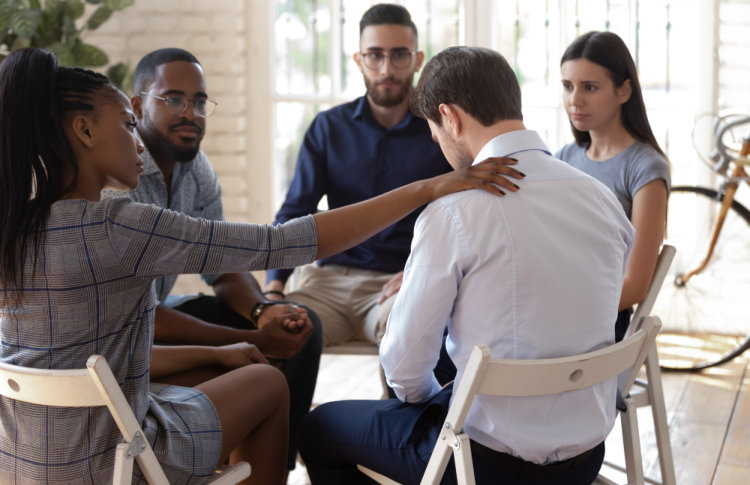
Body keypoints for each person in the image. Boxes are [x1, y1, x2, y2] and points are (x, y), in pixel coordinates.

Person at [0, 47, 520, 484]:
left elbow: (95, 361)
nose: (136, 140)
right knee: (270, 385)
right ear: (85, 131)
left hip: (21, 460)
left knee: (237, 365)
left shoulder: (15, 224)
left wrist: (226, 349)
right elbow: (282, 242)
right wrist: (429, 188)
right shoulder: (118, 224)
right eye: (126, 124)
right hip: (115, 459)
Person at [298, 46, 635, 485]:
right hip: (586, 456)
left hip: (483, 465)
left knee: (317, 429)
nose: (437, 142)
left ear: (450, 117)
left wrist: (434, 402)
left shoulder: (454, 212)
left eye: (434, 130)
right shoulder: (601, 199)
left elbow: (403, 369)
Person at [102, 47, 321, 471]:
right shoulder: (118, 179)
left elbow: (221, 267)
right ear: (137, 105)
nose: (191, 112)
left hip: (158, 316)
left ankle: (267, 466)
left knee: (301, 327)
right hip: (130, 334)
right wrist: (255, 341)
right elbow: (142, 314)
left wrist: (263, 313)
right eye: (174, 99)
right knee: (260, 355)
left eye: (199, 102)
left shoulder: (195, 168)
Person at [264, 3, 453, 347]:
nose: (386, 68)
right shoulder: (328, 127)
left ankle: (400, 405)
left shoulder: (440, 132)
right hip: (327, 284)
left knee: (411, 333)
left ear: (417, 59)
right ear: (358, 60)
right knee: (279, 335)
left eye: (399, 55)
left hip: (401, 281)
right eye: (375, 55)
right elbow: (295, 209)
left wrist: (427, 272)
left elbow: (464, 215)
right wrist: (274, 287)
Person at [556, 31, 670, 341]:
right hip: (551, 303)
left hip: (599, 320)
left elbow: (634, 284)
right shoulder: (564, 157)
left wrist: (560, 308)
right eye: (568, 86)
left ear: (624, 91)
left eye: (589, 88)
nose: (574, 100)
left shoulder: (645, 167)